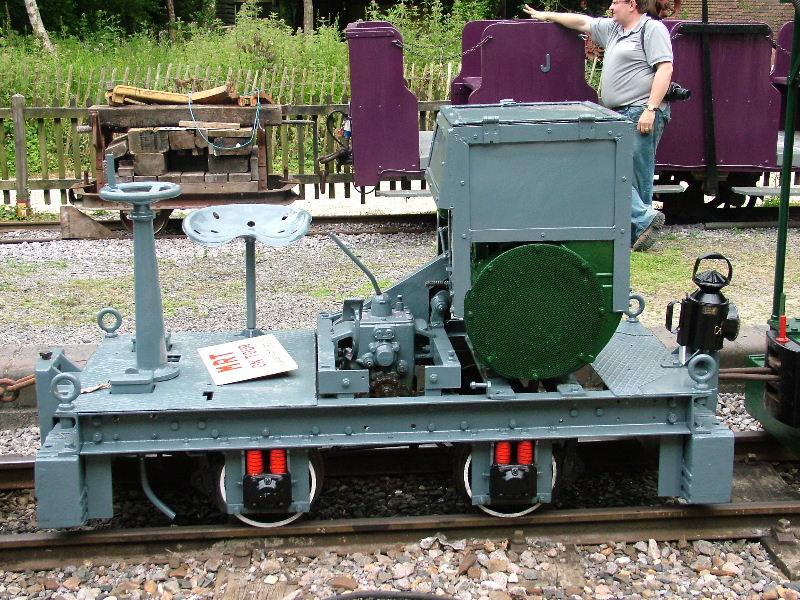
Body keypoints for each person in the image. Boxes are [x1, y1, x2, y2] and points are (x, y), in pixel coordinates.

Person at [523, 1, 673, 251]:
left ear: (632, 4)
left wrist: (651, 109)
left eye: (616, 1)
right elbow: (582, 21)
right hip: (618, 112)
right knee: (617, 169)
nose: (611, 6)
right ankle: (642, 224)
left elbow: (665, 68)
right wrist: (545, 15)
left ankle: (641, 226)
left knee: (633, 172)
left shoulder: (651, 29)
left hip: (640, 110)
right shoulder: (614, 29)